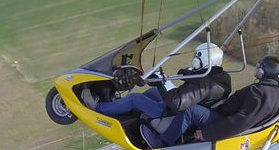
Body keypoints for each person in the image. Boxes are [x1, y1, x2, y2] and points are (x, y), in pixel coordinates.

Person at [140, 54, 279, 148]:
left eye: (260, 68)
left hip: (223, 121)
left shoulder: (261, 93)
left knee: (191, 110)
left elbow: (240, 121)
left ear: (263, 72)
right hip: (225, 116)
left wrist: (208, 133)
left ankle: (162, 142)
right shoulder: (275, 92)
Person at [86, 42, 231, 128]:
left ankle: (98, 108)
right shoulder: (219, 77)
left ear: (202, 59)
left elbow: (177, 102)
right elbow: (193, 80)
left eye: (196, 57)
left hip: (173, 114)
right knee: (152, 93)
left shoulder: (205, 84)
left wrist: (163, 81)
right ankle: (119, 109)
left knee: (134, 98)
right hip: (186, 107)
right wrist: (167, 79)